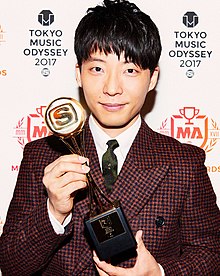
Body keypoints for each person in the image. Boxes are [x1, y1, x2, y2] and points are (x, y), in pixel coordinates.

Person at [0, 0, 220, 275]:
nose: (112, 88)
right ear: (78, 73)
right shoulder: (42, 156)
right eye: (97, 69)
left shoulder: (184, 162)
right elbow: (10, 267)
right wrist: (53, 212)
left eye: (130, 70)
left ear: (152, 78)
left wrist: (160, 273)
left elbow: (211, 253)